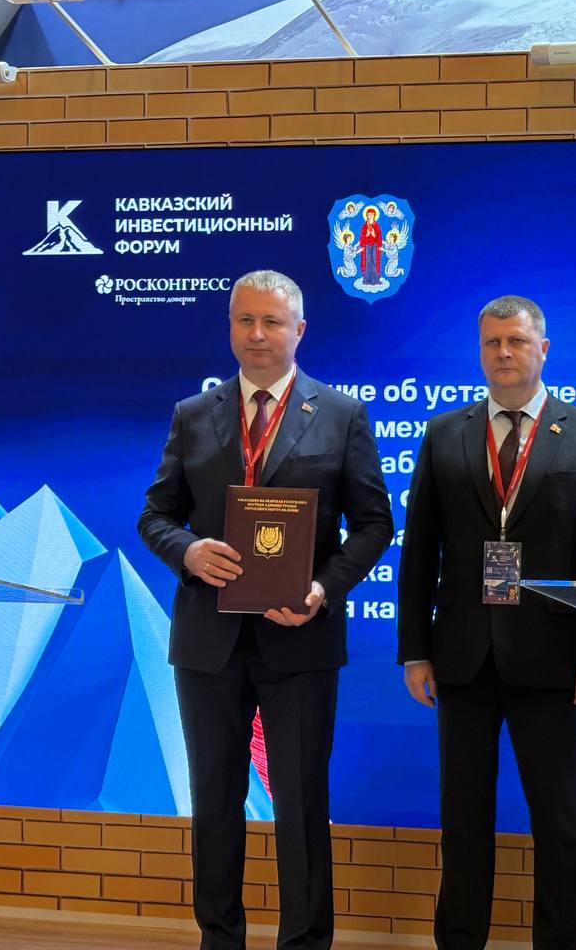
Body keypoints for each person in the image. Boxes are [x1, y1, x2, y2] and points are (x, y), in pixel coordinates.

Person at [138, 269, 393, 950]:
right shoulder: (194, 414)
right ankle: (219, 939)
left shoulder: (341, 414)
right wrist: (189, 553)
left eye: (272, 322)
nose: (257, 333)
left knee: (301, 803)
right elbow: (155, 516)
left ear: (299, 330)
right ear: (230, 327)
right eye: (244, 320)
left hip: (301, 638)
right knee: (214, 801)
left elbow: (374, 524)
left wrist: (323, 588)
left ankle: (304, 942)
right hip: (208, 640)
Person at [397, 295, 576, 950]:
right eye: (492, 342)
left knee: (559, 820)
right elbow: (419, 551)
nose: (504, 352)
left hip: (555, 661)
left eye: (517, 341)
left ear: (543, 349)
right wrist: (415, 649)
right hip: (462, 657)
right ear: (480, 351)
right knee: (462, 817)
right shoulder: (445, 433)